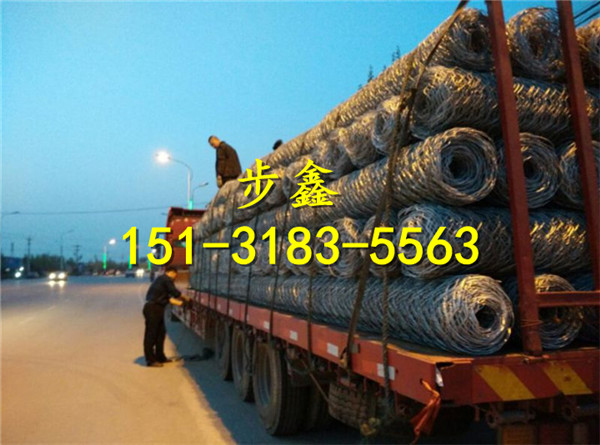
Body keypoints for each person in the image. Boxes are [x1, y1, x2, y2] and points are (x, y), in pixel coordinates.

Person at [143, 266, 187, 367]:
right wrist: (184, 297)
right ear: (172, 273)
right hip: (153, 308)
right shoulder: (166, 279)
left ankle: (160, 357)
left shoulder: (161, 281)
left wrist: (181, 304)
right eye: (175, 276)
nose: (175, 278)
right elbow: (175, 293)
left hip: (157, 308)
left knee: (160, 333)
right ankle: (150, 360)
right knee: (151, 335)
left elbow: (168, 299)